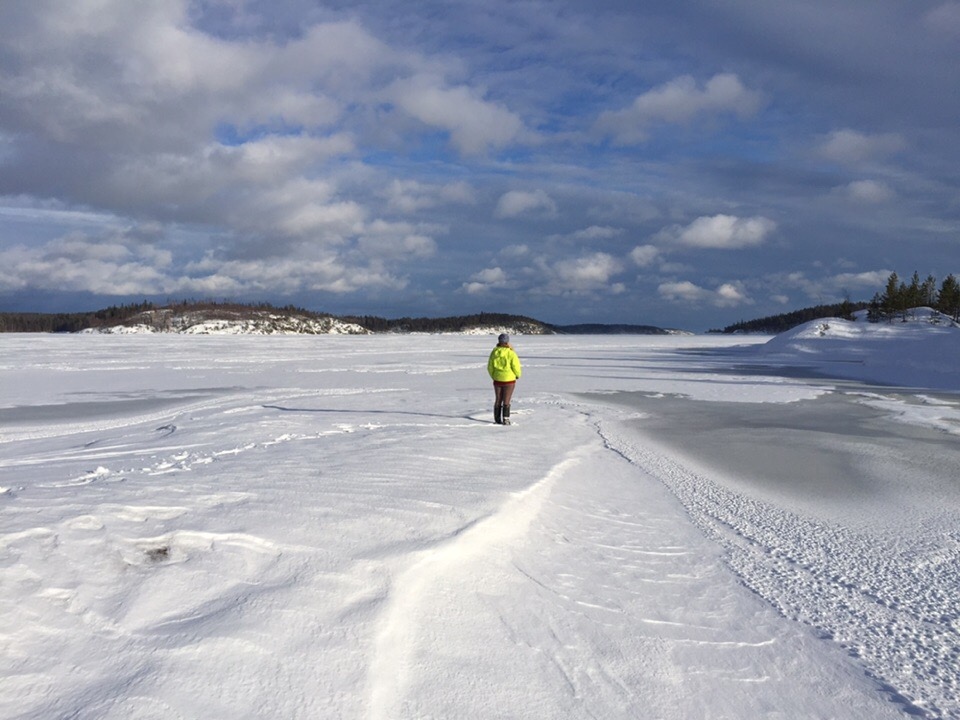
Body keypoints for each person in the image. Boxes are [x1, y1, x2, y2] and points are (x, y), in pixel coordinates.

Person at [487, 333, 521, 425]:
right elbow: (515, 366)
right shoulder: (511, 353)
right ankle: (506, 418)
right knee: (506, 400)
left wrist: (494, 376)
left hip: (497, 379)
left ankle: (497, 418)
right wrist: (518, 375)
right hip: (509, 380)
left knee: (498, 399)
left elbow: (490, 367)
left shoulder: (494, 352)